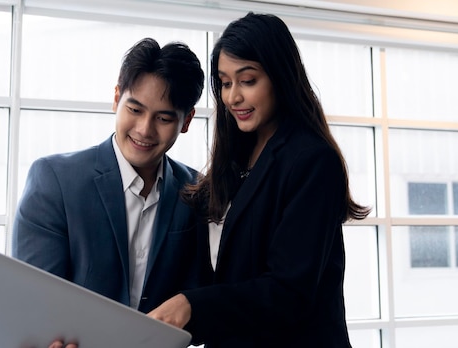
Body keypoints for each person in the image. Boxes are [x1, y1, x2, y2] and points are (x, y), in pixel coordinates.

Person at [147, 12, 371, 347]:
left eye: (247, 81)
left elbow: (289, 292)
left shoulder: (312, 160)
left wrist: (192, 305)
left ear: (279, 77)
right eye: (224, 83)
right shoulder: (233, 162)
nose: (233, 97)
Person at [12, 37, 206, 320]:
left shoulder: (197, 191)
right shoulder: (54, 181)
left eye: (163, 119)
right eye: (135, 110)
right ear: (117, 98)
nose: (144, 130)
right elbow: (33, 304)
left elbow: (198, 299)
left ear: (186, 121)